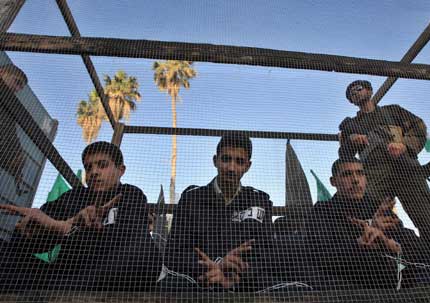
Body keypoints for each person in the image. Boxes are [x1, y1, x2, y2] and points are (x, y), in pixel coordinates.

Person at [0, 141, 161, 291]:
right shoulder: (73, 197)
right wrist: (32, 231)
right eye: (88, 168)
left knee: (147, 251)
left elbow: (131, 240)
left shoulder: (131, 194)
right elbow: (29, 242)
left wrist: (67, 229)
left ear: (121, 170)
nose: (94, 172)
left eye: (102, 165)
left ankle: (61, 294)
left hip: (109, 277)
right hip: (61, 277)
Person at [163, 134, 276, 292]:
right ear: (215, 160)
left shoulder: (260, 201)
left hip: (244, 283)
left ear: (248, 166)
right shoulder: (191, 198)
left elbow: (268, 253)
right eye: (226, 159)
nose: (231, 168)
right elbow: (173, 253)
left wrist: (235, 276)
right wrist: (216, 265)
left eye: (239, 161)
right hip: (199, 282)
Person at [339, 80, 430, 240]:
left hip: (406, 170)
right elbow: (344, 156)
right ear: (352, 102)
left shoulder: (393, 111)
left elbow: (419, 126)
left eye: (358, 89)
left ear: (370, 91)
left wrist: (404, 145)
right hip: (375, 177)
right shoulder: (351, 126)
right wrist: (352, 141)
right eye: (351, 94)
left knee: (426, 219)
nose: (355, 93)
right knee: (377, 220)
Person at [297, 157, 419, 290]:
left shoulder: (378, 207)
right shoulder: (322, 210)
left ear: (366, 178)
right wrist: (360, 242)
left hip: (387, 282)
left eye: (360, 173)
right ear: (333, 182)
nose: (355, 180)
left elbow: (412, 245)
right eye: (347, 174)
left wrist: (384, 238)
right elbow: (319, 254)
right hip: (343, 286)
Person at [0, 64, 28, 195]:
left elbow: (8, 131)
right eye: (16, 82)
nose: (17, 89)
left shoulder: (8, 103)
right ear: (1, 72)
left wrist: (16, 162)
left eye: (20, 88)